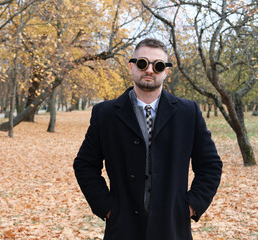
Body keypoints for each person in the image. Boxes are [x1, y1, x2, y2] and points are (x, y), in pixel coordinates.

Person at [73, 38, 222, 240]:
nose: (150, 70)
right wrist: (107, 207)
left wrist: (191, 206)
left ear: (166, 71)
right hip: (122, 229)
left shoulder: (188, 113)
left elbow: (210, 165)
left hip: (172, 228)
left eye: (158, 65)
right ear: (132, 66)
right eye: (143, 63)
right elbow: (85, 164)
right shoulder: (105, 114)